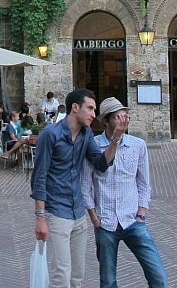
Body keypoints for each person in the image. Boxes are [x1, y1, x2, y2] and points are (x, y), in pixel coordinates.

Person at [31, 89, 127, 288]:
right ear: (75, 108)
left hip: (78, 213)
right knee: (61, 275)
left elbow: (101, 164)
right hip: (57, 212)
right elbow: (39, 177)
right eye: (90, 108)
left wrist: (115, 140)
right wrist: (40, 218)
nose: (94, 114)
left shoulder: (86, 134)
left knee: (77, 276)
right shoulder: (50, 134)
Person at [83, 98, 168, 288]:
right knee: (108, 281)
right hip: (105, 222)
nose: (123, 120)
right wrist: (94, 218)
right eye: (117, 117)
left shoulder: (137, 145)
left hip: (132, 220)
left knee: (158, 277)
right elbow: (85, 185)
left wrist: (141, 213)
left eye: (125, 115)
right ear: (106, 121)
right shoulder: (93, 145)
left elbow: (144, 183)